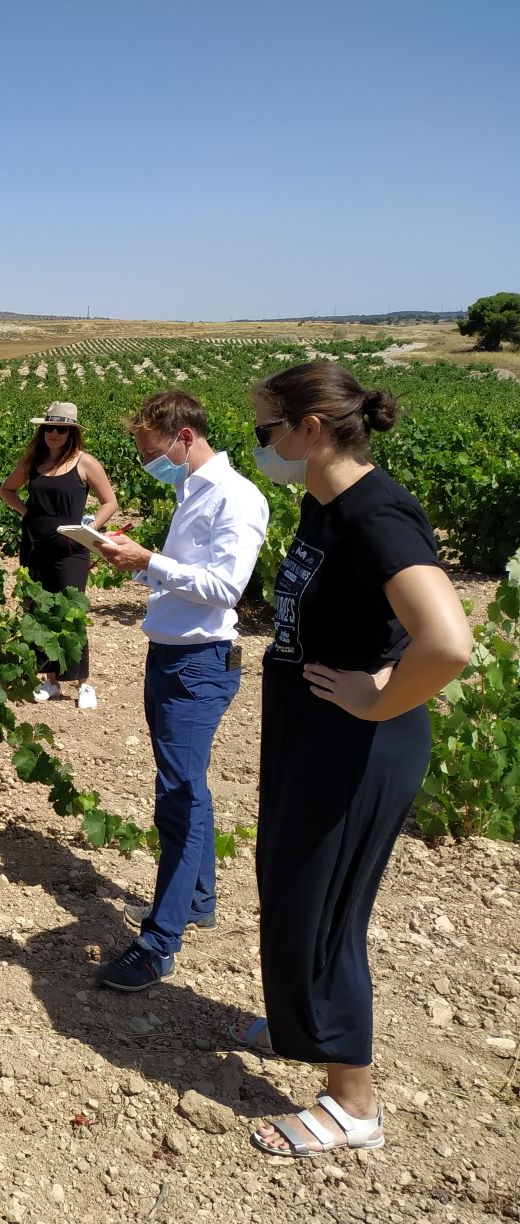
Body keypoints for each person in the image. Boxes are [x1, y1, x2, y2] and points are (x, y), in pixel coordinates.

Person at [237, 362, 470, 1158]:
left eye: (265, 431)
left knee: (326, 914)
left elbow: (448, 642)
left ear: (310, 430)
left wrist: (379, 696)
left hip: (362, 743)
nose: (259, 445)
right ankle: (306, 1023)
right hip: (314, 733)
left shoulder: (374, 516)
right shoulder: (324, 502)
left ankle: (352, 1104)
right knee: (290, 891)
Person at [93, 390, 269, 991]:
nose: (150, 463)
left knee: (179, 797)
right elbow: (185, 581)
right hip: (170, 656)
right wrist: (136, 564)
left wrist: (153, 560)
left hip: (197, 665)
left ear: (184, 438)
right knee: (187, 785)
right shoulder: (190, 491)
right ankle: (198, 899)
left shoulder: (237, 498)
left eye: (153, 452)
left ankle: (158, 945)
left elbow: (225, 589)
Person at [0, 402, 119, 709]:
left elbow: (109, 502)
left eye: (61, 429)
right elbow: (6, 490)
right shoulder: (33, 462)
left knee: (71, 610)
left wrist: (92, 525)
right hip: (35, 546)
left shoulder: (85, 462)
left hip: (70, 548)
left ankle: (83, 684)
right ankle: (50, 680)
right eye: (49, 427)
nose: (54, 433)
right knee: (38, 610)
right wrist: (30, 514)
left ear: (72, 433)